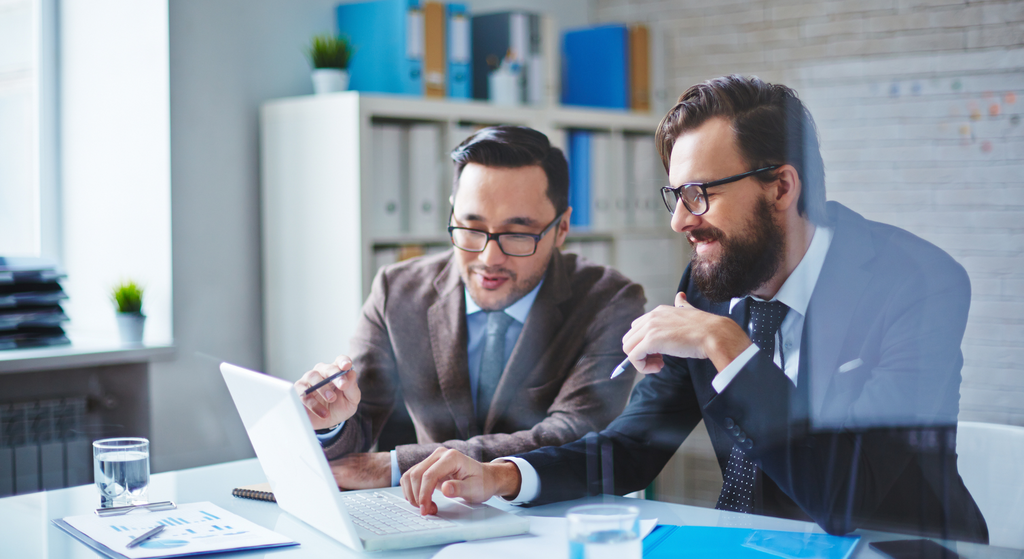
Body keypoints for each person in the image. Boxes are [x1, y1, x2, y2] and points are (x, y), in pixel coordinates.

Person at [397, 76, 989, 543]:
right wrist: (502, 477)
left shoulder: (918, 285)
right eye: (675, 197)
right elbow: (630, 449)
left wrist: (728, 347)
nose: (681, 220)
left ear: (781, 188)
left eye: (700, 195)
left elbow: (848, 496)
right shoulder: (709, 285)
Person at [294, 125, 646, 490]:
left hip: (553, 517)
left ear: (562, 228)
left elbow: (572, 435)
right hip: (430, 515)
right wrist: (329, 420)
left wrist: (398, 464)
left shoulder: (610, 301)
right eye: (471, 228)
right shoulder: (396, 291)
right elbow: (359, 423)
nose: (489, 258)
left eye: (517, 234)